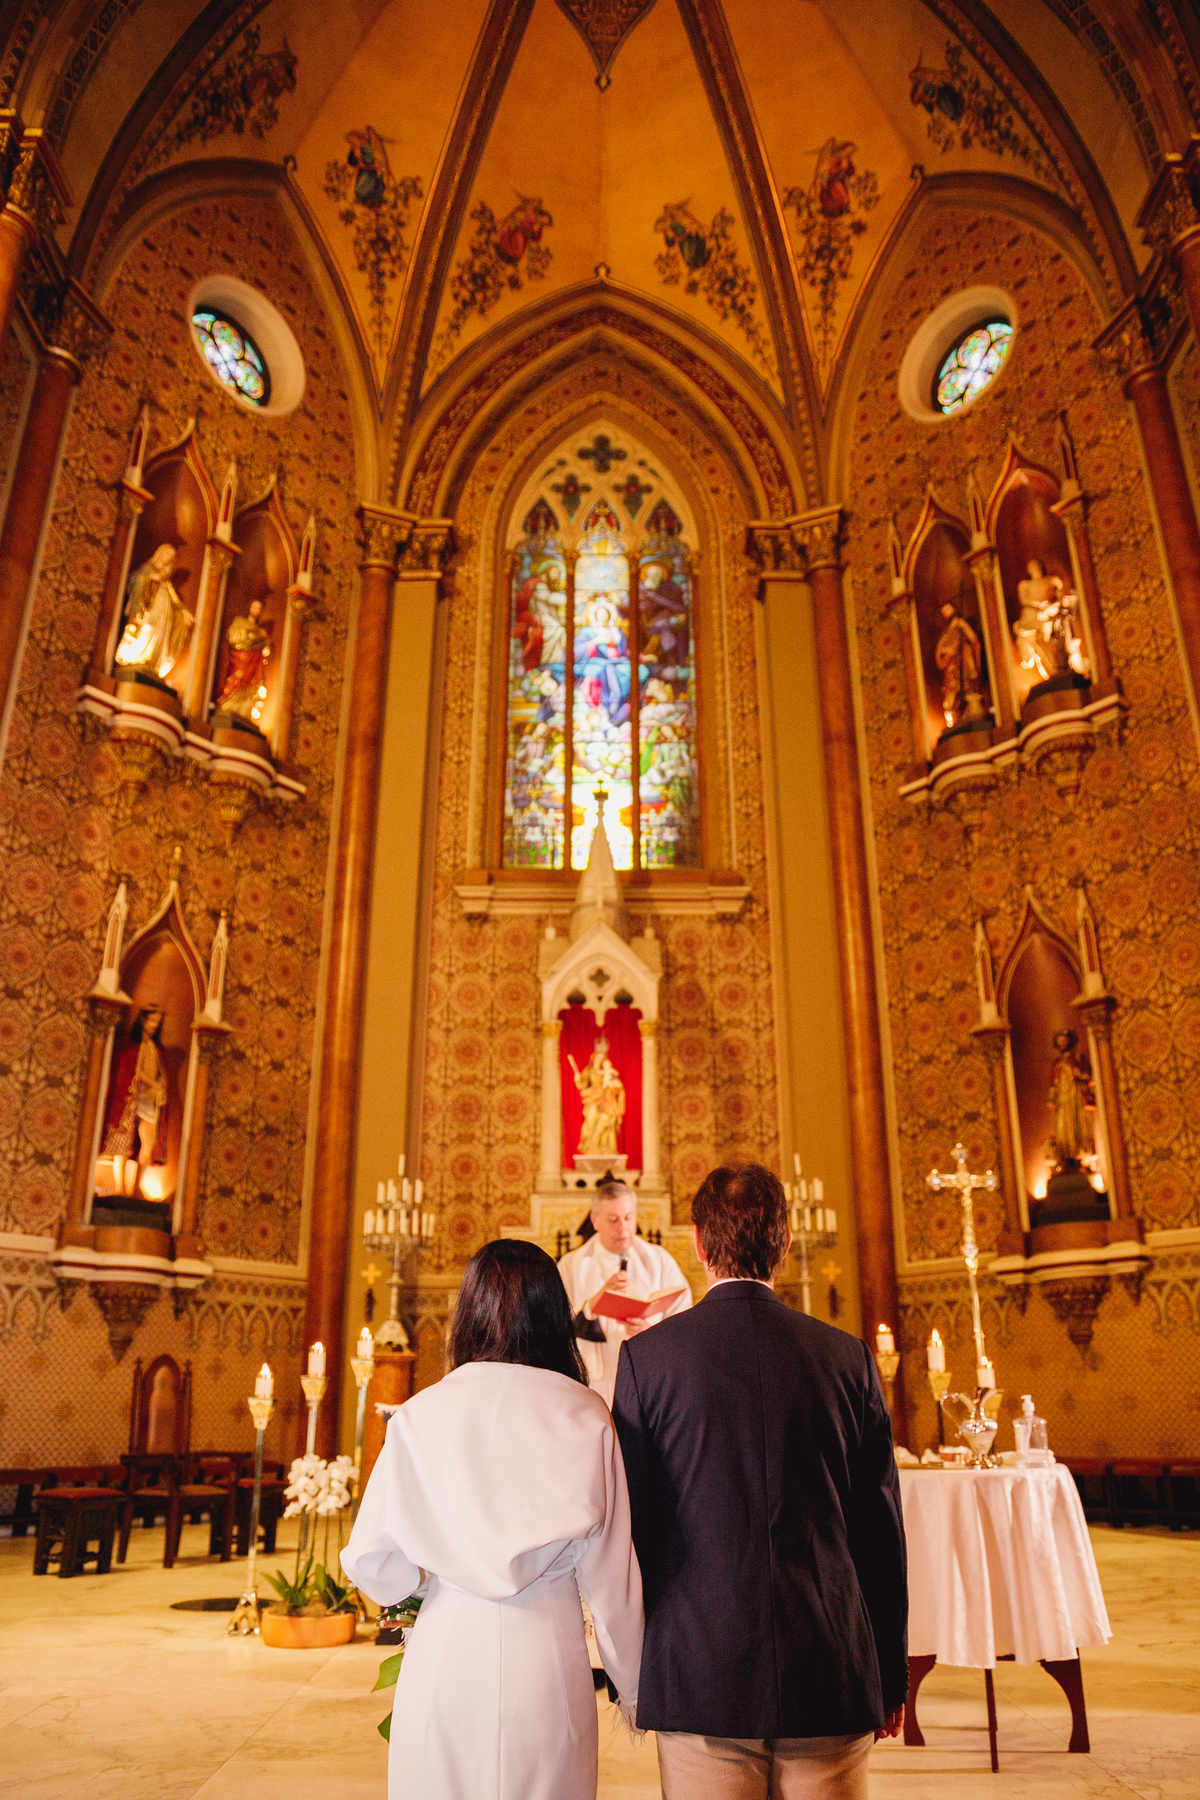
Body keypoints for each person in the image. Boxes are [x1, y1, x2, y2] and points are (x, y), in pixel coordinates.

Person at [613, 1163, 907, 1798]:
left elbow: (630, 1530)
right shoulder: (847, 1357)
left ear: (695, 1243)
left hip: (700, 1665)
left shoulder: (646, 1361)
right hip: (829, 1663)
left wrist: (639, 1670)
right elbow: (881, 1534)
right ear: (787, 1240)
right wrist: (888, 1674)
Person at [341, 1238, 643, 1800]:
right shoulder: (588, 1414)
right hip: (547, 1668)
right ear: (553, 1315)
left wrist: (422, 1583)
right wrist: (635, 1686)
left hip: (445, 1657)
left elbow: (369, 1559)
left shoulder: (419, 1413)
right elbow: (613, 1582)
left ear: (469, 1312)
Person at [558, 1178, 692, 1408]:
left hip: (647, 1380)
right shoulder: (572, 1266)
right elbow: (558, 1329)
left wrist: (651, 1331)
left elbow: (684, 1322)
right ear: (595, 1221)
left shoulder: (659, 1261)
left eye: (629, 1217)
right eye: (613, 1220)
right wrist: (593, 1306)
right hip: (593, 1386)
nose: (623, 1228)